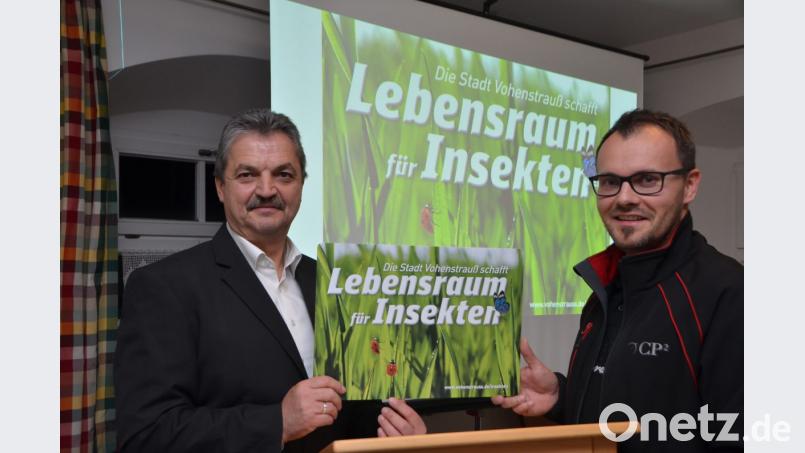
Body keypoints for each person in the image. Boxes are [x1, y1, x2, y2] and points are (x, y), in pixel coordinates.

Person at [115, 109, 426, 452]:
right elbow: (145, 436)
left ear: (301, 186)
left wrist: (394, 430)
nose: (267, 190)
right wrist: (278, 422)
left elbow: (349, 407)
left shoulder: (336, 284)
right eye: (247, 175)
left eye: (284, 175)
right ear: (220, 187)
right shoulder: (163, 287)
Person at [492, 109, 743, 451]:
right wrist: (561, 396)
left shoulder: (730, 293)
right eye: (610, 181)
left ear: (689, 186)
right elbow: (625, 421)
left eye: (647, 179)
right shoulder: (605, 289)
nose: (624, 198)